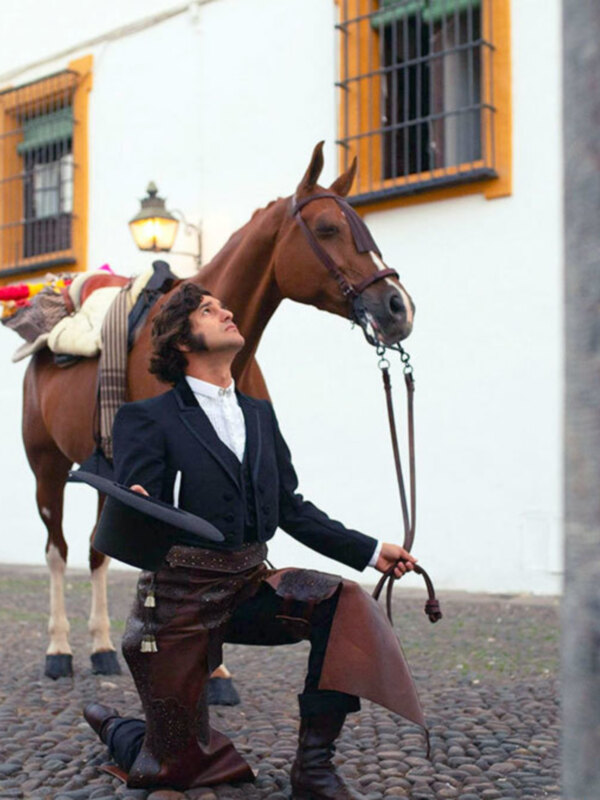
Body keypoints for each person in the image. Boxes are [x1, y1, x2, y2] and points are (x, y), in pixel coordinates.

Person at [83, 282, 425, 799]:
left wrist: (372, 551)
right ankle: (118, 729)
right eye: (207, 309)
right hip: (176, 603)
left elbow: (290, 508)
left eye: (223, 304)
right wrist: (135, 501)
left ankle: (313, 769)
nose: (226, 311)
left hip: (248, 585)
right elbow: (140, 510)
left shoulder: (260, 416)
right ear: (181, 341)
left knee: (343, 603)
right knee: (177, 766)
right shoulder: (145, 418)